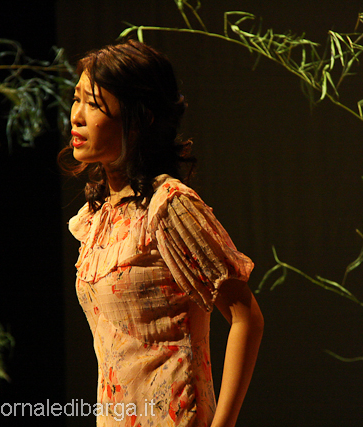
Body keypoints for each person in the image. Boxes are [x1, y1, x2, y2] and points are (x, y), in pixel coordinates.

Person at [60, 39, 264, 427]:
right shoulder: (100, 216)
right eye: (76, 99)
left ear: (140, 119)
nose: (77, 117)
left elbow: (246, 318)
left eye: (94, 104)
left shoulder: (168, 206)